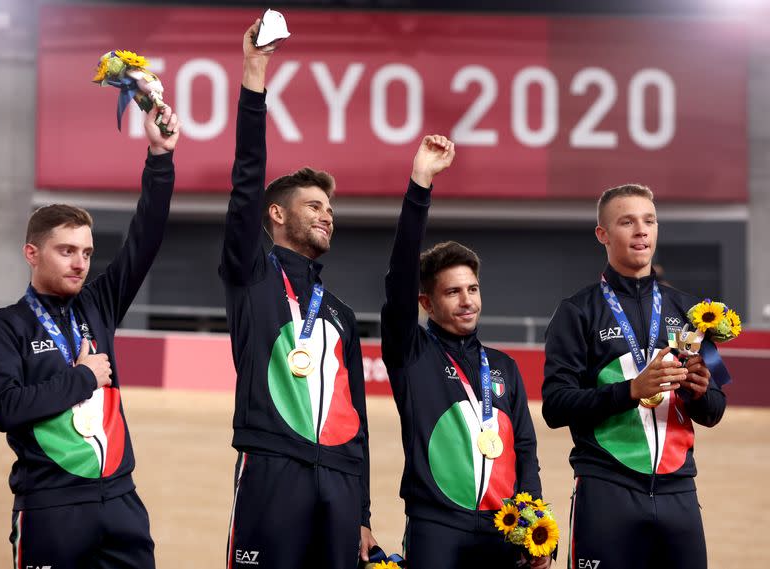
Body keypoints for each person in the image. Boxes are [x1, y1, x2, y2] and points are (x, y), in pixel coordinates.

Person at [0, 106, 180, 567]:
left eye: (86, 252)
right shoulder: (3, 327)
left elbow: (145, 239)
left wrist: (159, 156)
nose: (80, 263)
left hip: (122, 504)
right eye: (66, 250)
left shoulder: (98, 304)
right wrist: (84, 378)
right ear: (32, 253)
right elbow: (4, 409)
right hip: (50, 508)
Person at [220, 20, 375, 568]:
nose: (327, 216)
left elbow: (356, 416)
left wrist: (363, 511)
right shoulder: (252, 273)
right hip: (272, 467)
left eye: (330, 210)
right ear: (277, 215)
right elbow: (246, 179)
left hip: (338, 481)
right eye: (314, 207)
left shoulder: (339, 313)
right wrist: (255, 75)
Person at [381, 135, 551, 569]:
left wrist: (533, 524)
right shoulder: (411, 353)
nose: (467, 300)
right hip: (436, 527)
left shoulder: (505, 368)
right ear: (426, 303)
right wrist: (421, 184)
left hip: (503, 528)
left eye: (472, 289)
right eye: (452, 292)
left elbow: (526, 452)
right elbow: (400, 276)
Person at [542, 184, 727, 569]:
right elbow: (555, 407)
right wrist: (630, 390)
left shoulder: (693, 312)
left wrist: (698, 392)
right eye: (627, 222)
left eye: (649, 220)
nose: (642, 230)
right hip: (606, 491)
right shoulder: (576, 312)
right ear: (603, 235)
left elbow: (715, 409)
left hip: (679, 492)